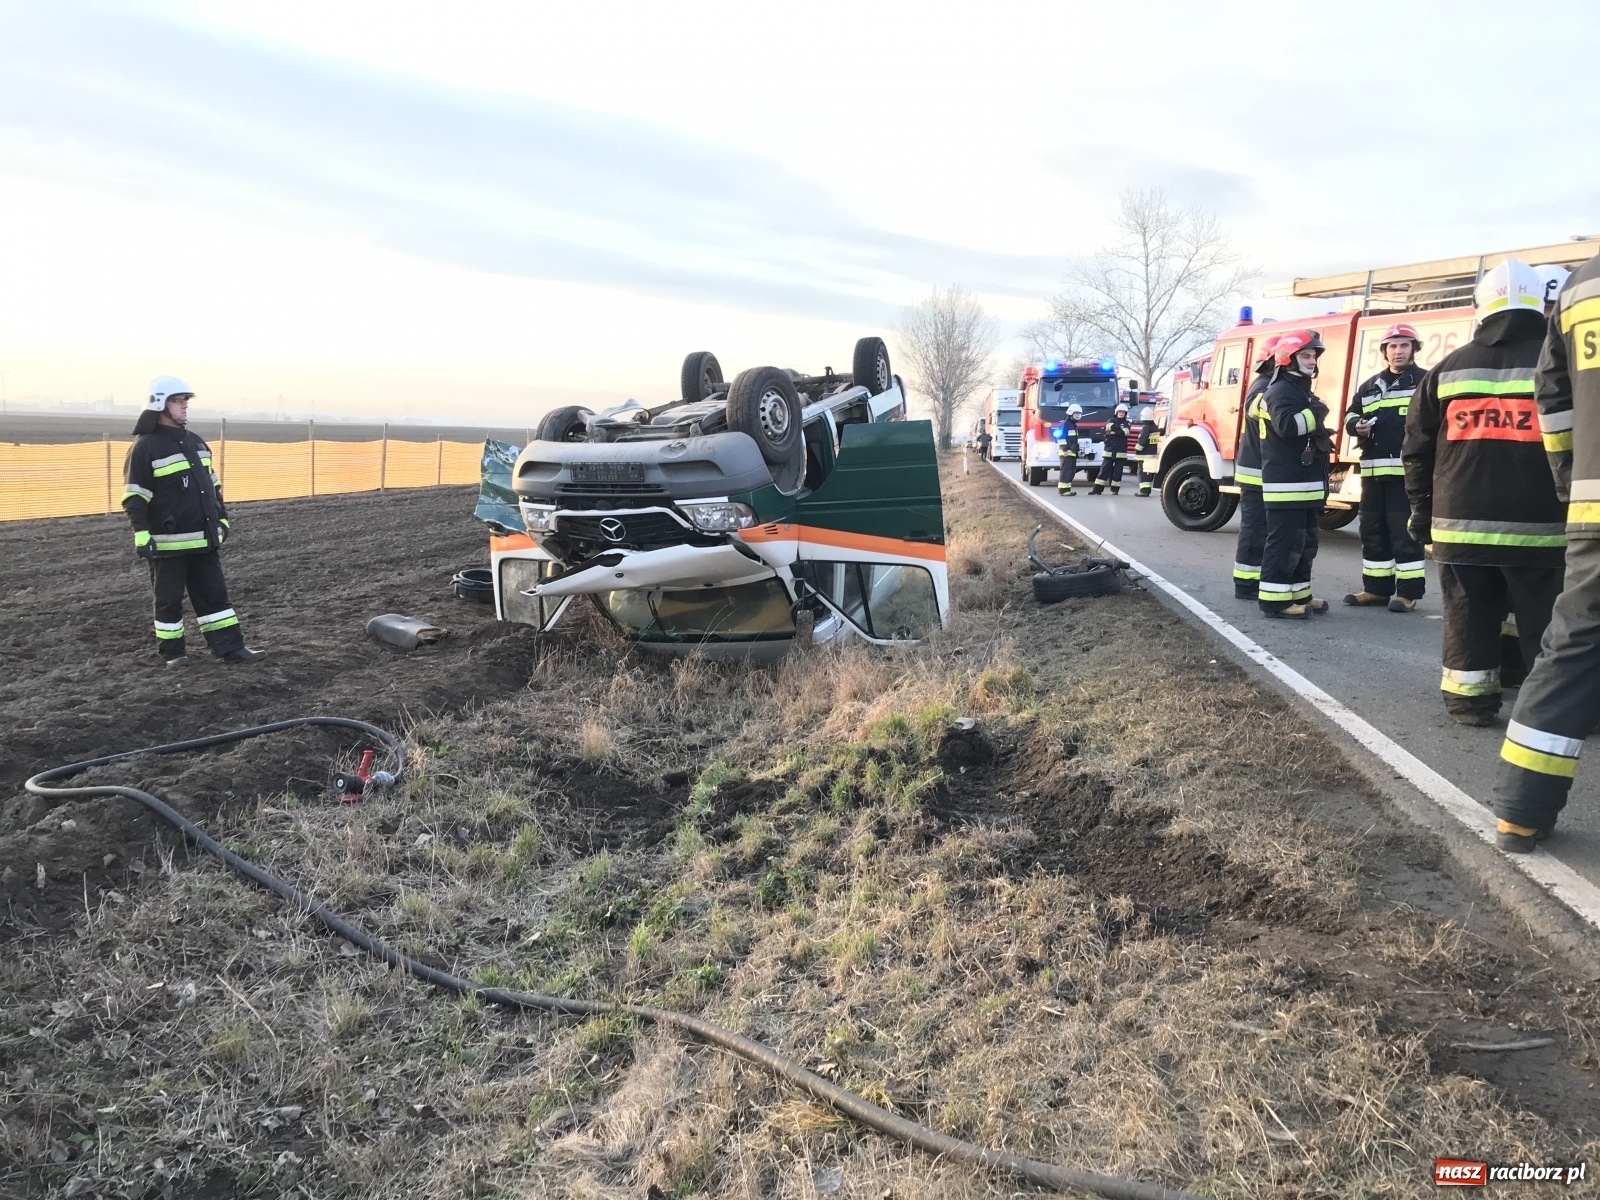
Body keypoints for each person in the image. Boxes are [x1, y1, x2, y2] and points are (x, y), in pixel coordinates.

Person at [1402, 259, 1563, 728]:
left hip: (1461, 525)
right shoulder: (1560, 366)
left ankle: (1470, 704)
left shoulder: (1446, 371)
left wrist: (1422, 512)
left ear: (1480, 308)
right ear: (1543, 305)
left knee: (1469, 617)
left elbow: (1416, 449)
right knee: (1548, 625)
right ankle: (1550, 711)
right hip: (1544, 530)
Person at [1491, 252, 1600, 850]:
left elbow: (1552, 399)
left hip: (1592, 503)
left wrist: (1570, 481)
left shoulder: (1581, 285)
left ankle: (1519, 813)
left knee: (1573, 646)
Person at [122, 376, 267, 667]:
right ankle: (174, 655)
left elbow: (214, 488)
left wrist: (222, 520)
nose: (185, 405)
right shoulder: (145, 447)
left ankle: (231, 649)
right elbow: (135, 497)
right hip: (166, 545)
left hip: (204, 540)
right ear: (160, 405)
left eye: (186, 400)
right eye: (178, 401)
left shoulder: (196, 442)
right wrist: (141, 534)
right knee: (168, 601)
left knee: (215, 599)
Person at [1343, 324, 1429, 612]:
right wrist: (1355, 425)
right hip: (1372, 474)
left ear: (1414, 349)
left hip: (1407, 477)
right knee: (1372, 531)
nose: (1398, 351)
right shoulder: (1370, 385)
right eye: (1392, 346)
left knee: (1404, 533)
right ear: (1384, 352)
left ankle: (1408, 593)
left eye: (1404, 345)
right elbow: (1352, 412)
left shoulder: (1426, 382)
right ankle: (1376, 590)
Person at [1258, 331, 1333, 618]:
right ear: (1288, 359)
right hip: (1287, 484)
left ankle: (1300, 593)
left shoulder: (1299, 389)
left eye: (1314, 356)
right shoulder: (1280, 391)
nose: (1312, 361)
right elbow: (1288, 427)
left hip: (1305, 485)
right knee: (1285, 544)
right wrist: (1318, 413)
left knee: (1305, 543)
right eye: (1306, 355)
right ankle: (1275, 601)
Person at [1233, 336, 1281, 599]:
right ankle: (1246, 584)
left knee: (1264, 529)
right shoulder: (1262, 386)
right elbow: (1261, 411)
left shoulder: (1270, 384)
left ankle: (1255, 580)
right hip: (1255, 473)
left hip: (1265, 471)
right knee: (1255, 529)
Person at [1089, 402, 1131, 495]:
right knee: (1103, 471)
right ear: (1116, 412)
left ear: (1125, 414)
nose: (1121, 414)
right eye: (1120, 412)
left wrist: (1114, 432)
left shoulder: (1127, 423)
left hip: (1121, 452)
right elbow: (1109, 427)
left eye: (1123, 412)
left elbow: (1126, 432)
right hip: (1109, 451)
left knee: (1118, 473)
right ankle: (1097, 490)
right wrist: (1119, 429)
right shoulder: (1110, 420)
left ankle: (1115, 490)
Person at [1134, 404, 1162, 496]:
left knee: (1142, 473)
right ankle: (1147, 490)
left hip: (1144, 455)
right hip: (1152, 454)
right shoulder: (1155, 428)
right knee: (1148, 473)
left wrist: (1137, 450)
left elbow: (1142, 441)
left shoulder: (1146, 428)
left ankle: (1143, 491)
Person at [1056, 403, 1082, 495]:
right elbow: (1061, 438)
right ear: (1070, 414)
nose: (1078, 415)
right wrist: (1064, 450)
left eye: (1079, 414)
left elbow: (1073, 440)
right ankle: (1063, 490)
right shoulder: (1065, 424)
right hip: (1066, 453)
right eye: (1076, 413)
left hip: (1072, 453)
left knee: (1071, 472)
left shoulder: (1073, 425)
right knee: (1066, 471)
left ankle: (1067, 489)